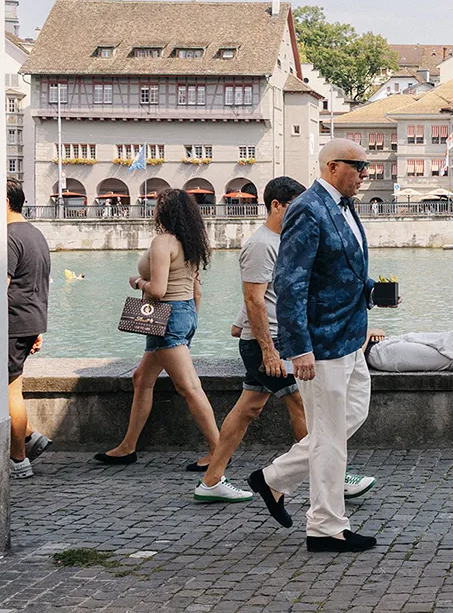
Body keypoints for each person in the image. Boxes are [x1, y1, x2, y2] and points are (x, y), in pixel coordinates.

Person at [248, 139, 398, 553]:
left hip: (350, 337)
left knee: (351, 415)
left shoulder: (345, 207)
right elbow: (290, 283)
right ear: (332, 166)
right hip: (322, 344)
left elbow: (341, 271)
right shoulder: (308, 209)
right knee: (329, 436)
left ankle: (274, 478)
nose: (366, 173)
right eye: (359, 166)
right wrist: (299, 349)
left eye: (367, 166)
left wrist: (373, 291)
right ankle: (326, 526)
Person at [194, 177, 379, 502]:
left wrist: (240, 326)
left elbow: (264, 295)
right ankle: (333, 477)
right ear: (276, 205)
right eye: (295, 205)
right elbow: (253, 298)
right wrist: (267, 351)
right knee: (305, 408)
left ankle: (211, 481)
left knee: (248, 410)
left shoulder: (285, 240)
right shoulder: (261, 244)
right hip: (273, 344)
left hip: (270, 340)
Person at [96, 188, 220, 469]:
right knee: (141, 378)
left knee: (189, 386)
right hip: (181, 313)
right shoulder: (190, 242)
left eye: (155, 206)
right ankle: (127, 447)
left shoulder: (163, 242)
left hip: (166, 317)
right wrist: (190, 320)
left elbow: (158, 290)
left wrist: (137, 282)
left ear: (164, 212)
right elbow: (197, 290)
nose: (152, 210)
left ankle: (218, 451)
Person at [7, 180, 52, 478]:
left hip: (11, 323)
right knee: (13, 387)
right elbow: (38, 284)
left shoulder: (9, 238)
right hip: (29, 320)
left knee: (9, 391)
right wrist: (36, 328)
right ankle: (31, 437)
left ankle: (18, 460)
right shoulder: (36, 234)